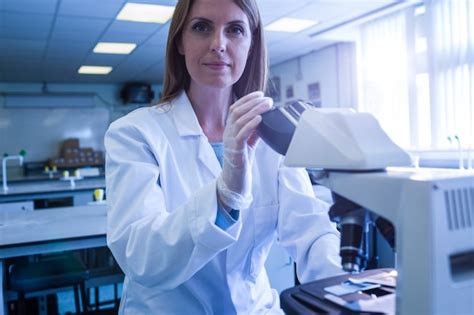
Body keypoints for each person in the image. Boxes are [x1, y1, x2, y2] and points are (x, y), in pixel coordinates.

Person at [104, 0, 342, 313]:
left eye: (235, 30)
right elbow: (142, 258)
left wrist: (346, 292)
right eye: (202, 27)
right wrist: (226, 193)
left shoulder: (272, 132)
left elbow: (311, 231)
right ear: (180, 41)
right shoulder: (135, 133)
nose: (219, 44)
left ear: (251, 44)